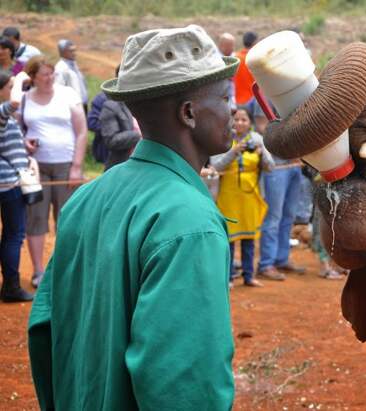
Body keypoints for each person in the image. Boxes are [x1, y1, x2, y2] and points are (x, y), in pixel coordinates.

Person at [28, 25, 239, 410]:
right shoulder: (190, 223)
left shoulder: (85, 198)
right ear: (189, 113)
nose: (234, 110)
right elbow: (184, 388)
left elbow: (44, 330)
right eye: (224, 98)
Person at [20, 55, 87, 287]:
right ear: (33, 77)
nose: (50, 78)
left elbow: (81, 130)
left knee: (66, 218)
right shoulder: (25, 98)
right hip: (36, 167)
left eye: (51, 73)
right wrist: (24, 143)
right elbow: (17, 129)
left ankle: (66, 269)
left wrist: (77, 166)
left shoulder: (67, 95)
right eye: (44, 74)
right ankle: (38, 271)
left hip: (66, 165)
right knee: (36, 219)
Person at [212, 107, 274, 288]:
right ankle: (229, 277)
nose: (239, 123)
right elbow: (215, 166)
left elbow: (270, 167)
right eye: (236, 119)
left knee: (249, 238)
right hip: (228, 194)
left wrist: (263, 155)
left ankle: (249, 276)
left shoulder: (257, 140)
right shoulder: (223, 139)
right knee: (229, 238)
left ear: (250, 122)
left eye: (243, 120)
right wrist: (233, 151)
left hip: (250, 195)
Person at [253, 99, 306, 281]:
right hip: (275, 165)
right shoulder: (262, 94)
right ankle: (266, 263)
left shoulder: (290, 92)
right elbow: (261, 127)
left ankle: (281, 258)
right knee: (274, 215)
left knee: (289, 215)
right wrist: (287, 140)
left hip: (294, 163)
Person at [0, 70, 33, 302]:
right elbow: (14, 102)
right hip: (8, 183)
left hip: (8, 181)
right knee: (14, 235)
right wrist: (21, 78)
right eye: (8, 85)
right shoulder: (2, 112)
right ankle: (11, 287)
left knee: (9, 235)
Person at [99, 94, 141, 170]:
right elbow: (111, 140)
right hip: (121, 167)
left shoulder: (146, 104)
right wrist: (138, 135)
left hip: (145, 167)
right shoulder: (111, 106)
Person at [87, 66, 118, 164]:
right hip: (109, 154)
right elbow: (92, 123)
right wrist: (113, 126)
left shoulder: (139, 97)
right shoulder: (103, 99)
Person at [54, 39, 88, 114]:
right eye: (71, 51)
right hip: (72, 108)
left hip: (82, 105)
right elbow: (59, 89)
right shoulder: (61, 68)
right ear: (63, 52)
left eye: (74, 50)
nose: (74, 53)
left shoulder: (73, 64)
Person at [232, 31, 258, 107]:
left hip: (237, 102)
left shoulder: (235, 59)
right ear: (254, 43)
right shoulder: (255, 59)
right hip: (253, 103)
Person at [217, 33, 236, 111]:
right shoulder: (215, 59)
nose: (232, 48)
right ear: (221, 46)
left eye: (233, 45)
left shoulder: (234, 57)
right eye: (230, 45)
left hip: (232, 95)